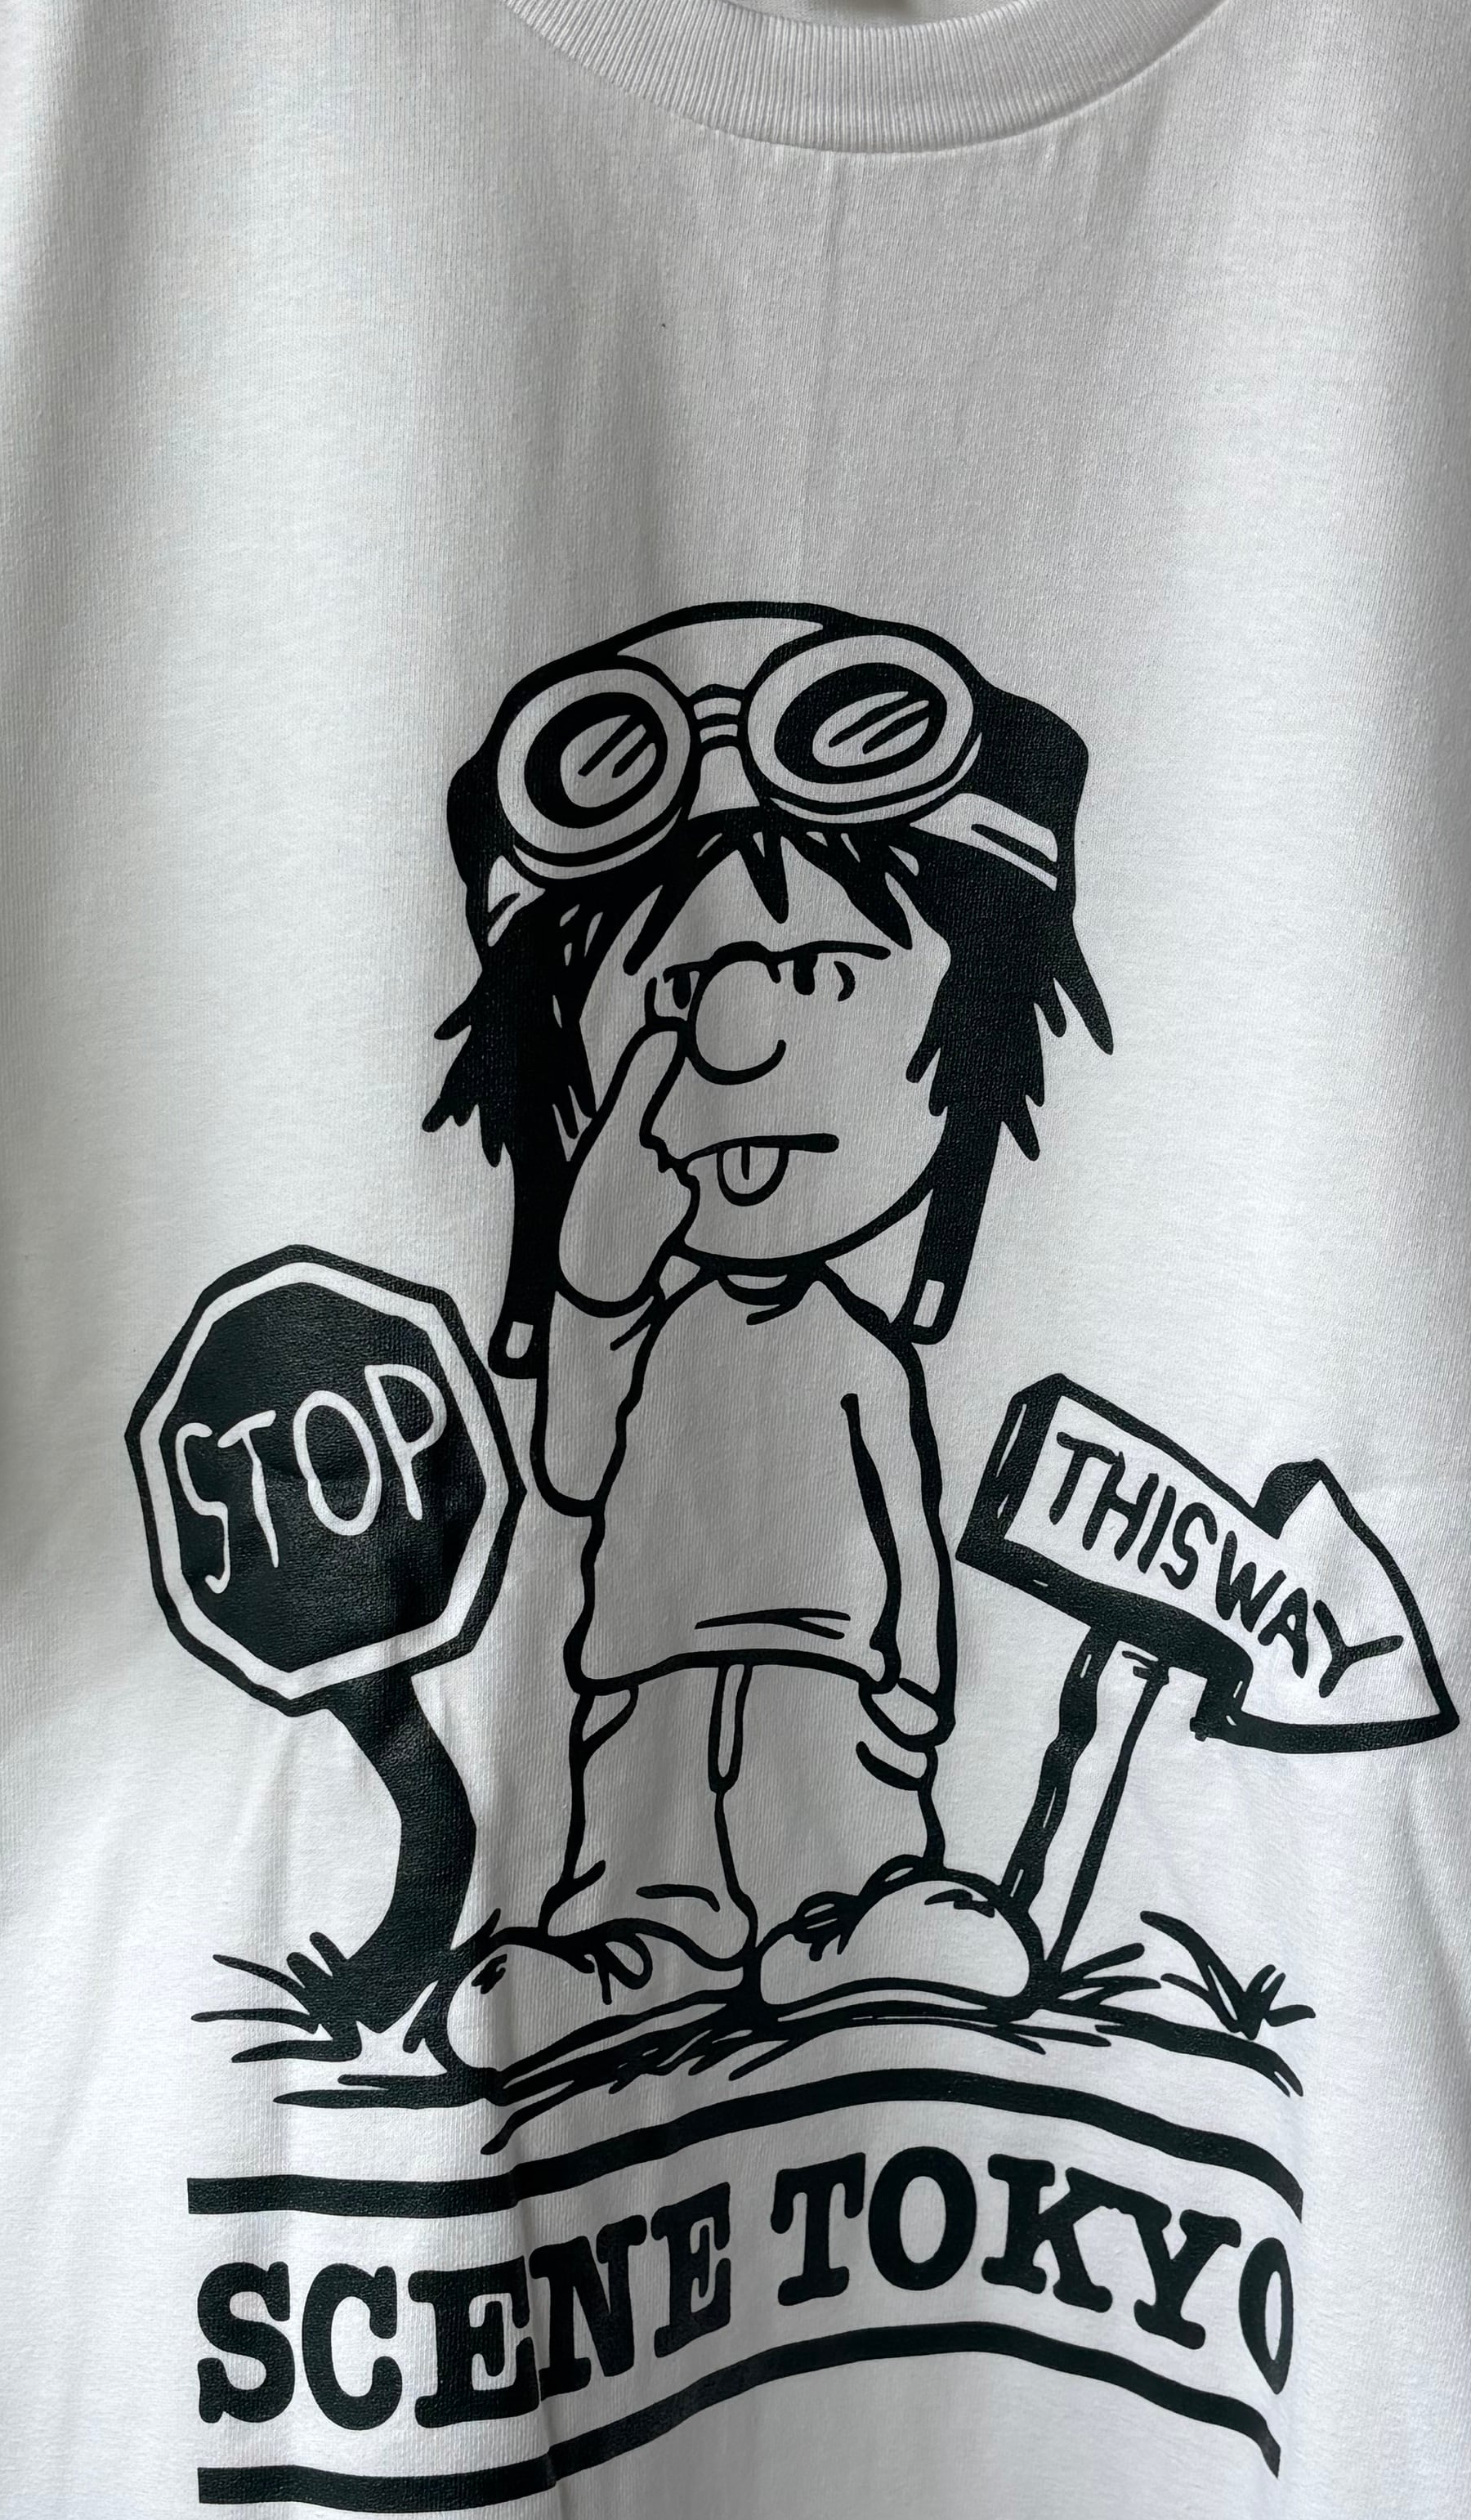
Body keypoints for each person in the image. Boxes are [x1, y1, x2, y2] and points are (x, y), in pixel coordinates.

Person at [423, 602, 1107, 2072]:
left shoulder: (859, 1349)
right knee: (641, 1839)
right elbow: (575, 1468)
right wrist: (594, 1273)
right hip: (645, 1665)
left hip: (826, 1669)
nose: (731, 1040)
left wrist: (914, 1672)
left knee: (838, 1821)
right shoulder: (644, 1322)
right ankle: (634, 1945)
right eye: (674, 990)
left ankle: (862, 1913)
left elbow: (899, 1513)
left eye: (816, 973)